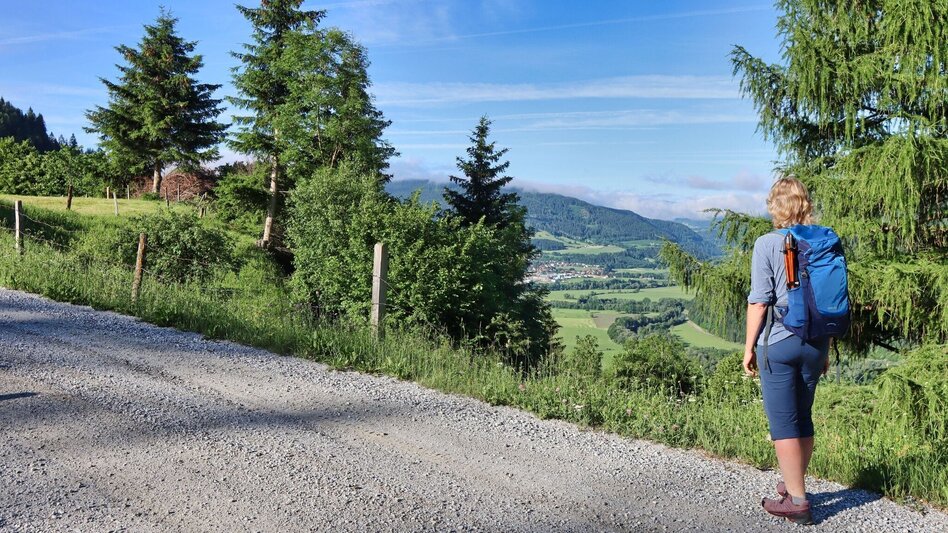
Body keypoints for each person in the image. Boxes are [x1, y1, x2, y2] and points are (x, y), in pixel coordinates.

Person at [743, 176, 830, 526]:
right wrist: (824, 350)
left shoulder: (767, 243)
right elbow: (827, 300)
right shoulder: (825, 242)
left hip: (778, 342)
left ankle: (797, 502)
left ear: (775, 206)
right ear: (805, 204)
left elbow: (759, 301)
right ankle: (794, 483)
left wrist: (748, 347)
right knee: (803, 417)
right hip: (816, 342)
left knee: (784, 424)